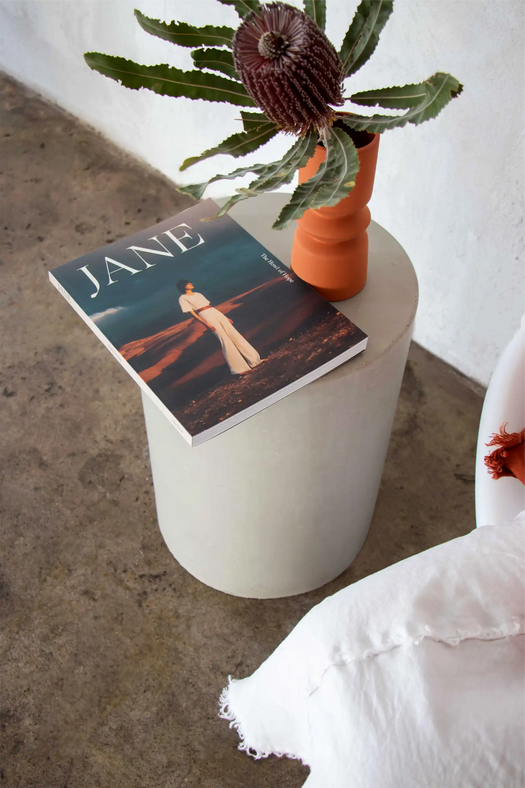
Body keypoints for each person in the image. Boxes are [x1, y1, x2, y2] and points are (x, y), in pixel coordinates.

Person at [177, 279, 263, 376]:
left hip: (215, 313)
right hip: (205, 316)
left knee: (235, 335)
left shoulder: (198, 294)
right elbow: (193, 313)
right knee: (225, 340)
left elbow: (209, 306)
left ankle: (255, 361)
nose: (190, 284)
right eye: (188, 283)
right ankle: (239, 369)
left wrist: (225, 317)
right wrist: (206, 324)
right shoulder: (182, 298)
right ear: (183, 286)